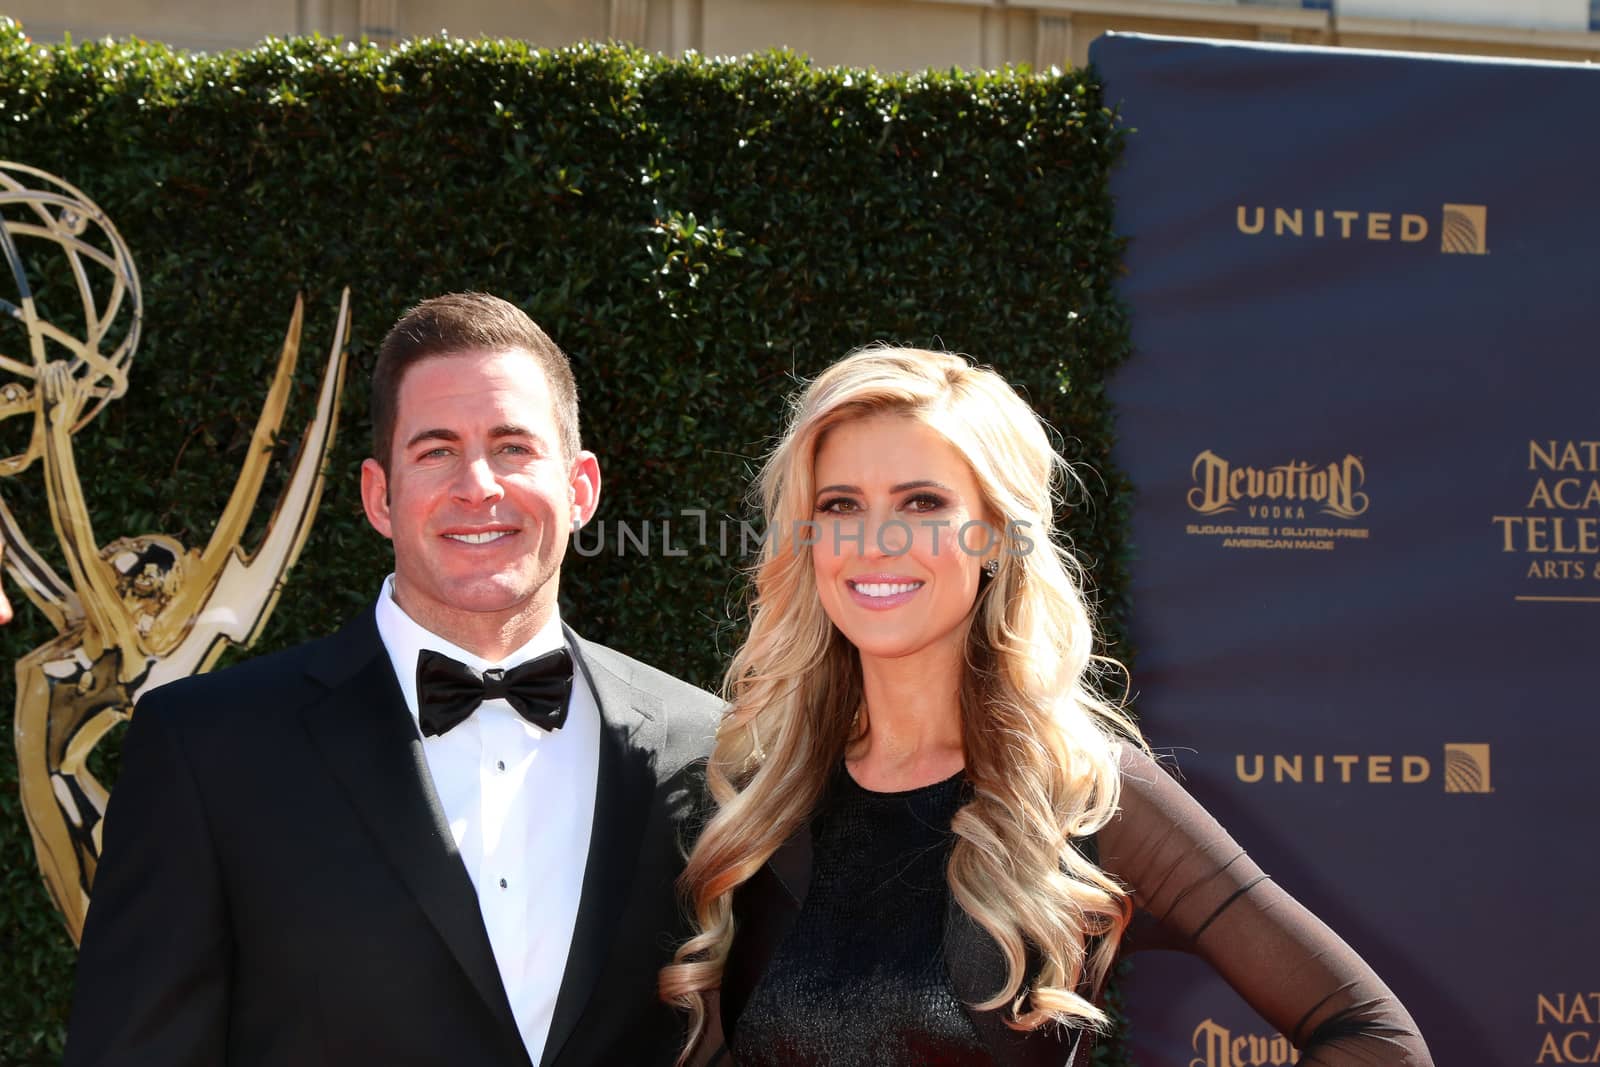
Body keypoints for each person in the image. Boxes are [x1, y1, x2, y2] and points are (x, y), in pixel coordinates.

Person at [660, 347, 1433, 1066]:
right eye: (839, 504)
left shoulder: (1085, 796)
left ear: (996, 534)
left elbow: (1375, 1037)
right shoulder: (754, 793)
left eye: (922, 500)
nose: (876, 538)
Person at [67, 293, 721, 1067]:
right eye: (436, 450)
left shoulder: (705, 744)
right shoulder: (206, 749)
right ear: (380, 496)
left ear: (581, 489)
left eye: (513, 446)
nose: (478, 484)